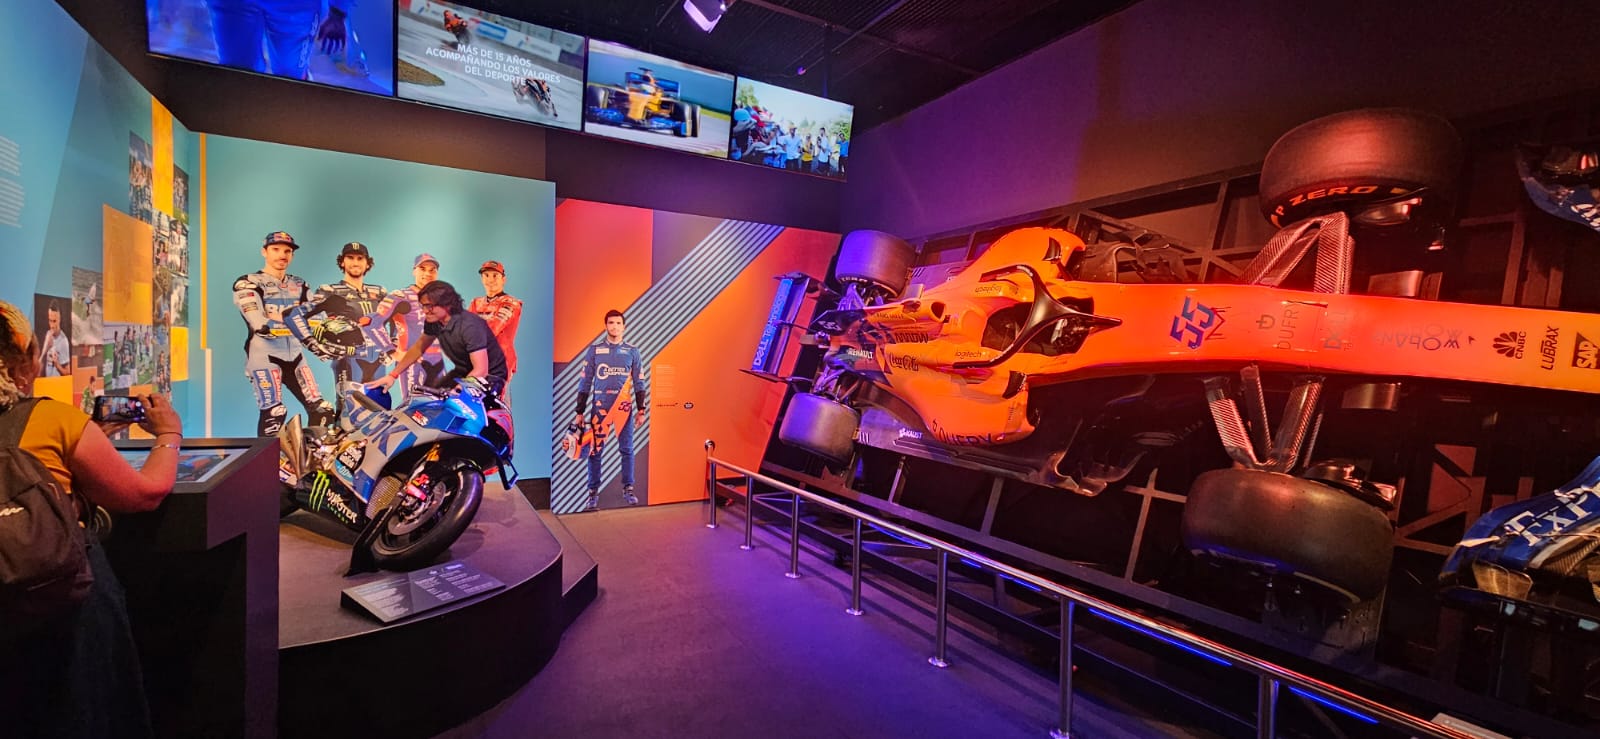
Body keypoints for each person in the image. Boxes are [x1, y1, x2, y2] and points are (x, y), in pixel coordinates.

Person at [0, 298, 185, 739]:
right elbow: (144, 493)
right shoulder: (50, 418)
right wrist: (169, 434)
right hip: (58, 620)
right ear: (22, 362)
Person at [232, 230, 336, 436]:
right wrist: (298, 321)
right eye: (276, 249)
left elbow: (318, 320)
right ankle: (267, 457)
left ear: (292, 255)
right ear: (264, 252)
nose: (282, 255)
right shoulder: (248, 282)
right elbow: (260, 323)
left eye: (287, 251)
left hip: (295, 356)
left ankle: (311, 453)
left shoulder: (300, 284)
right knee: (274, 413)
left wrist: (282, 318)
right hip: (264, 356)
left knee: (322, 410)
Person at [285, 242, 391, 407]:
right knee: (349, 410)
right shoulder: (330, 291)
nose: (355, 262)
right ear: (342, 262)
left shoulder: (379, 292)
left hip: (379, 361)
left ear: (368, 263)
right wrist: (313, 344)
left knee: (381, 411)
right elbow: (292, 315)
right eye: (350, 258)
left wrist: (393, 346)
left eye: (360, 258)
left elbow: (396, 318)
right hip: (349, 359)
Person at [368, 280, 507, 398]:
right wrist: (392, 375)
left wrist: (456, 392)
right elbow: (419, 347)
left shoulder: (470, 326)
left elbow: (481, 370)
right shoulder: (434, 321)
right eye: (423, 306)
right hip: (463, 372)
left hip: (489, 377)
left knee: (454, 407)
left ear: (448, 305)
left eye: (429, 306)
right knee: (428, 402)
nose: (424, 311)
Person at [573, 309, 647, 511]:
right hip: (600, 408)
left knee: (627, 449)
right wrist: (579, 411)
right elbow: (585, 381)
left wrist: (641, 410)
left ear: (624, 327)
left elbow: (639, 382)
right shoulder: (595, 350)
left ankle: (628, 488)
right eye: (611, 323)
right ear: (606, 326)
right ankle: (592, 492)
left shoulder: (632, 351)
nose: (614, 326)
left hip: (624, 409)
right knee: (595, 450)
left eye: (618, 323)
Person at [204, 0, 361, 81]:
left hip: (296, 7)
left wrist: (338, 11)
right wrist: (338, 11)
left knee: (290, 79)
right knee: (237, 74)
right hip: (234, 3)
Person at [370, 253, 447, 402]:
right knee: (414, 408)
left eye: (432, 270)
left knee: (443, 407)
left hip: (438, 363)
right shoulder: (401, 296)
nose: (428, 273)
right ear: (414, 271)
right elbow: (372, 323)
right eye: (423, 268)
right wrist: (392, 352)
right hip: (412, 363)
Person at [468, 261, 522, 406]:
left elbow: (492, 328)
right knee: (473, 407)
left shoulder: (511, 303)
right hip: (477, 364)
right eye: (486, 275)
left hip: (499, 366)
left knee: (493, 408)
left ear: (503, 279)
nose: (490, 280)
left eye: (495, 275)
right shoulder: (476, 302)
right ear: (482, 279)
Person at [41, 300, 71, 377]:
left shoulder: (63, 341)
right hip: (48, 382)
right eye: (50, 321)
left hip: (57, 383)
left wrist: (57, 365)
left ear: (59, 319)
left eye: (54, 321)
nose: (52, 325)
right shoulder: (48, 334)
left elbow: (68, 372)